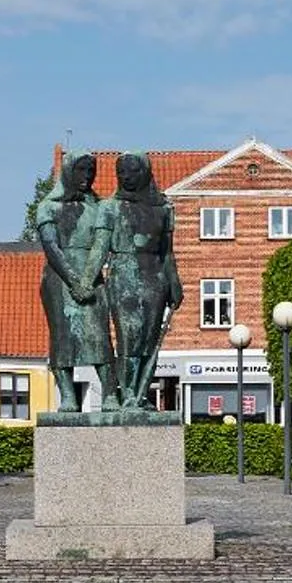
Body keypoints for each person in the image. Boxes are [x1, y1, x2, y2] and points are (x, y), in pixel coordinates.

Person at [101, 153, 181, 411]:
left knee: (149, 339)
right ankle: (128, 394)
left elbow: (167, 252)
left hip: (155, 277)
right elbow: (100, 248)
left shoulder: (163, 208)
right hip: (123, 275)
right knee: (129, 339)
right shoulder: (110, 207)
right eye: (121, 171)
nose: (126, 176)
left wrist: (174, 281)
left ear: (144, 172)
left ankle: (142, 394)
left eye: (132, 171)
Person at [33, 153, 112, 413]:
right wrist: (73, 281)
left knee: (99, 336)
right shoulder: (48, 207)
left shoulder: (100, 207)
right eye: (81, 171)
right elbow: (51, 247)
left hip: (92, 276)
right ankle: (67, 396)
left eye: (91, 171)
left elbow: (102, 244)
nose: (87, 176)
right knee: (63, 337)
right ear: (69, 172)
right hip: (59, 280)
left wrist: (88, 279)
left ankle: (110, 395)